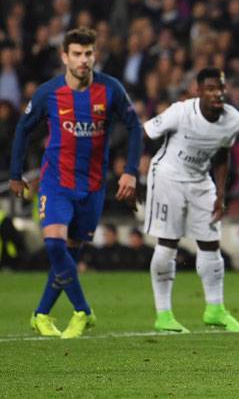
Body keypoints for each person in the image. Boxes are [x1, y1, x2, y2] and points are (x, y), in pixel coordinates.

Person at [9, 27, 142, 338]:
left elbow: (134, 127)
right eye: (78, 54)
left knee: (70, 253)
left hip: (92, 187)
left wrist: (131, 170)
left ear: (95, 55)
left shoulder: (110, 89)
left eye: (89, 54)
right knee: (55, 245)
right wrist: (16, 174)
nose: (84, 60)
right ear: (64, 57)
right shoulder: (48, 93)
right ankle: (83, 310)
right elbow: (22, 130)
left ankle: (41, 314)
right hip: (55, 182)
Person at [143, 67, 239, 333]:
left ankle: (215, 309)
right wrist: (132, 172)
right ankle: (163, 315)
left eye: (220, 88)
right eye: (210, 88)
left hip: (201, 181)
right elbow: (146, 132)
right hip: (168, 177)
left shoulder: (233, 119)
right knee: (168, 242)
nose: (217, 93)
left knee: (211, 244)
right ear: (197, 91)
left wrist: (221, 193)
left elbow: (223, 153)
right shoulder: (180, 112)